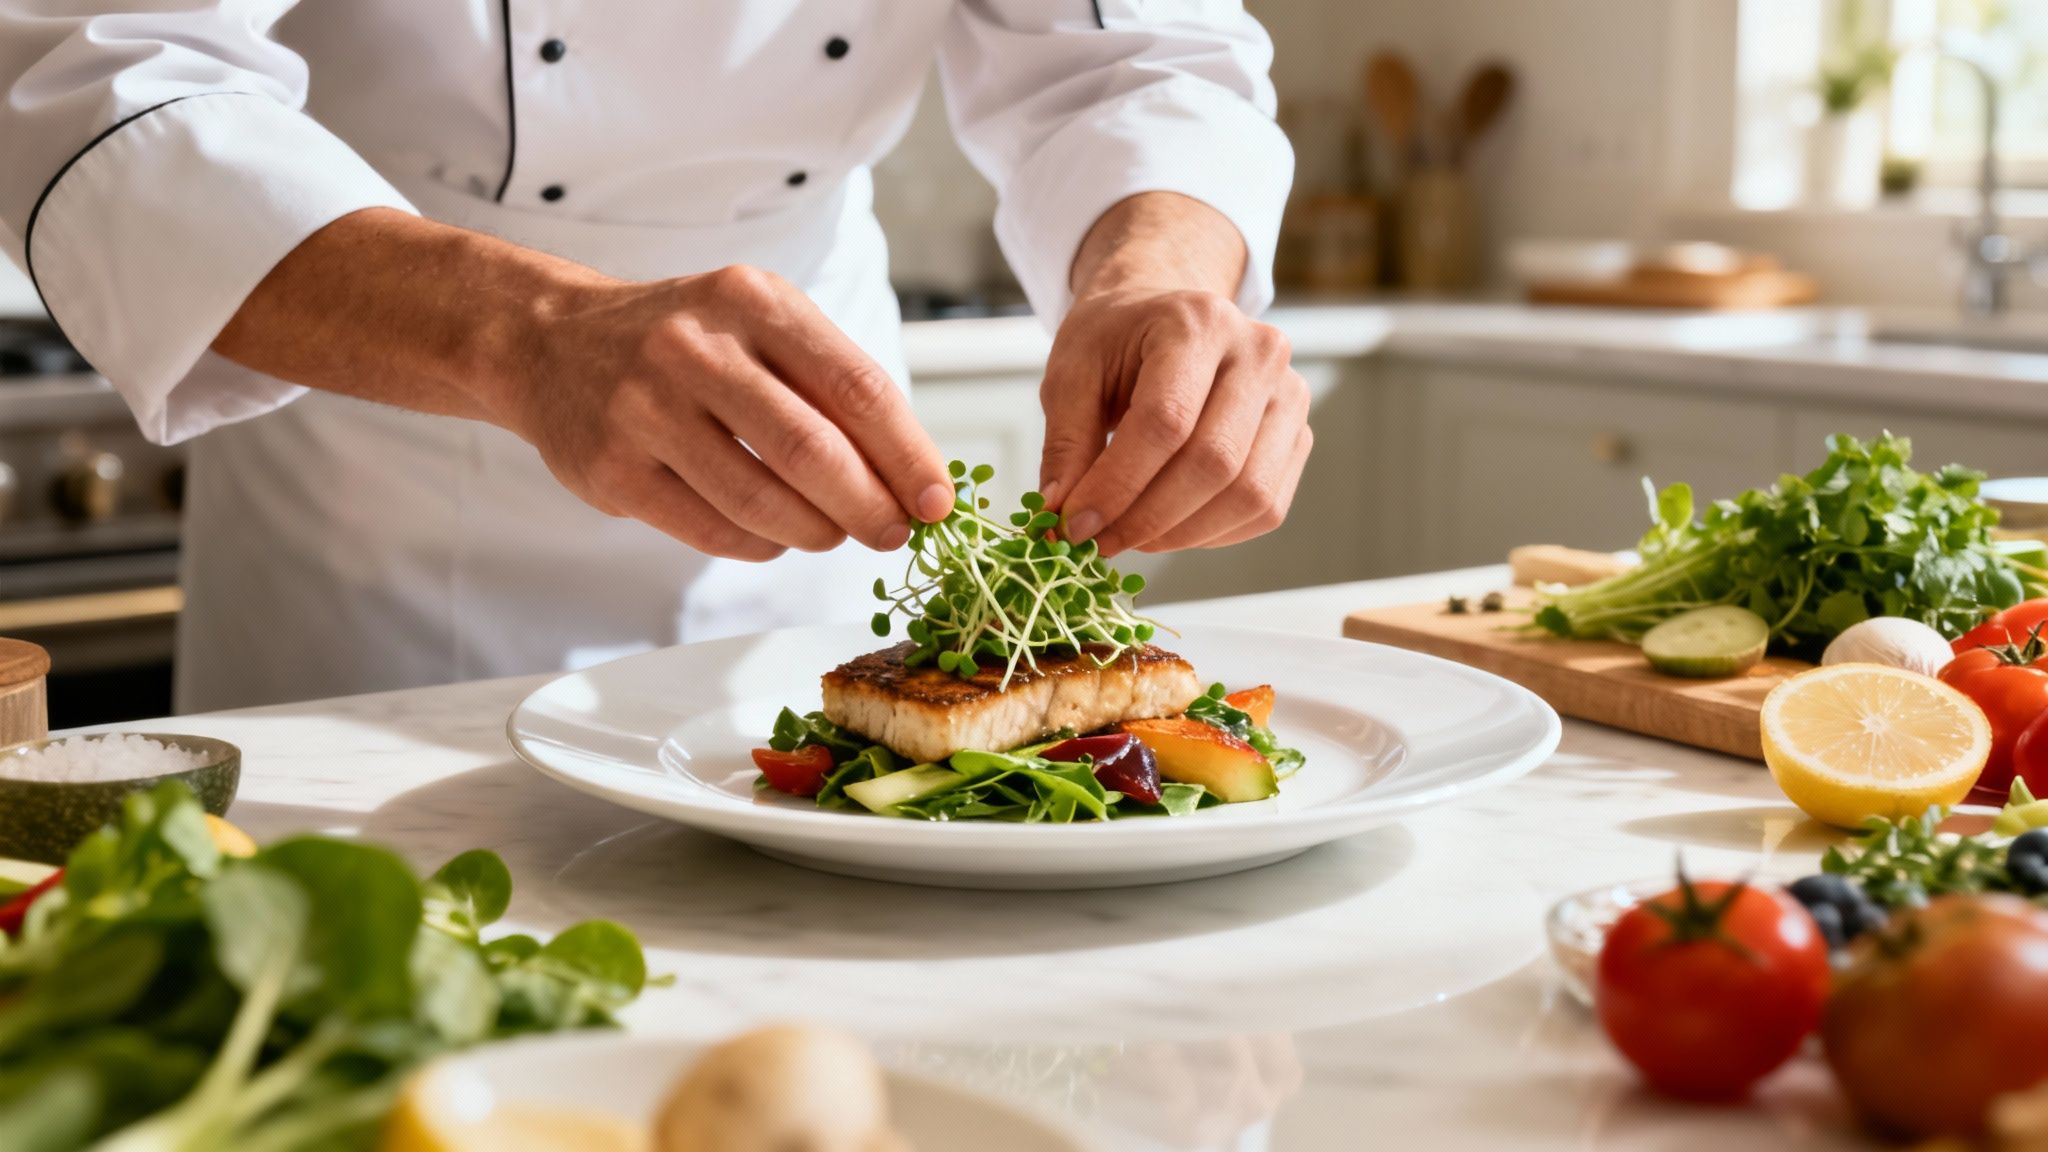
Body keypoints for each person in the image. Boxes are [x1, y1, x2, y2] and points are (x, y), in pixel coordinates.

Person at [0, 2, 1309, 711]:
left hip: (817, 485)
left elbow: (1136, 58)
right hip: (386, 463)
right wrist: (522, 331)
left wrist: (1156, 279)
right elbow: (101, 72)